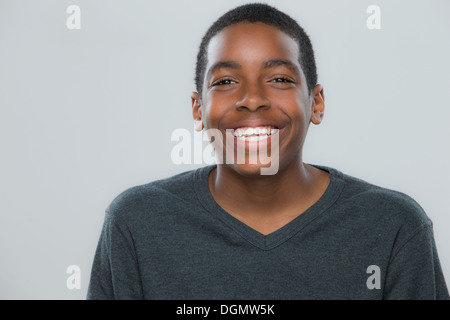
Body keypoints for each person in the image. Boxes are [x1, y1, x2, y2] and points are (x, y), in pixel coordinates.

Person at [87, 3, 449, 299]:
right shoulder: (136, 224)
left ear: (316, 103)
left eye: (279, 79)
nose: (253, 99)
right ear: (198, 110)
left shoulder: (393, 227)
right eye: (226, 82)